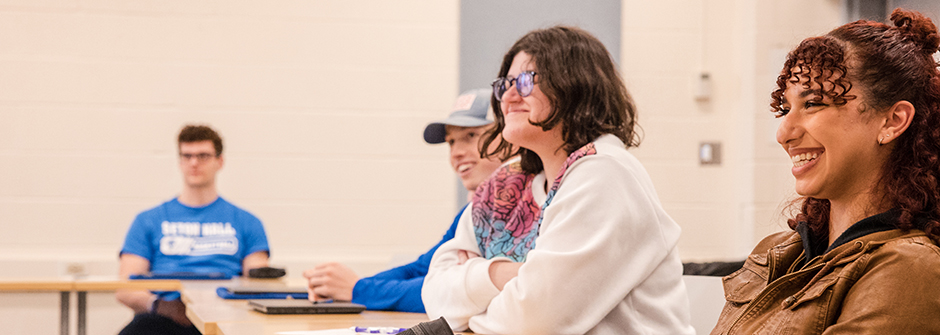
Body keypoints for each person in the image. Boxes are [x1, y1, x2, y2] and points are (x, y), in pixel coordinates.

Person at [423, 26, 694, 334]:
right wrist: (503, 275)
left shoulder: (606, 174)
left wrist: (471, 315)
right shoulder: (503, 186)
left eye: (525, 82)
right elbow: (436, 298)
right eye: (505, 84)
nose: (509, 97)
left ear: (574, 87)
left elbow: (533, 322)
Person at [711, 9, 940, 334]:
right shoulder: (777, 253)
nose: (784, 133)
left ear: (892, 121)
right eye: (786, 108)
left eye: (813, 103)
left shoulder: (910, 268)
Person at [301, 88, 506, 313]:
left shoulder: (526, 209)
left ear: (510, 138)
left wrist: (359, 290)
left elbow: (448, 292)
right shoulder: (474, 210)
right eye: (451, 142)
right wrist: (343, 288)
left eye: (471, 136)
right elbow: (422, 269)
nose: (456, 153)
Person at [116, 125, 270, 335]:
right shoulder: (148, 221)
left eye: (203, 156)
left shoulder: (247, 222)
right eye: (187, 156)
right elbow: (125, 288)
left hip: (223, 318)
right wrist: (164, 307)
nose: (194, 163)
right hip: (162, 317)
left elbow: (258, 283)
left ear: (220, 161)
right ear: (180, 161)